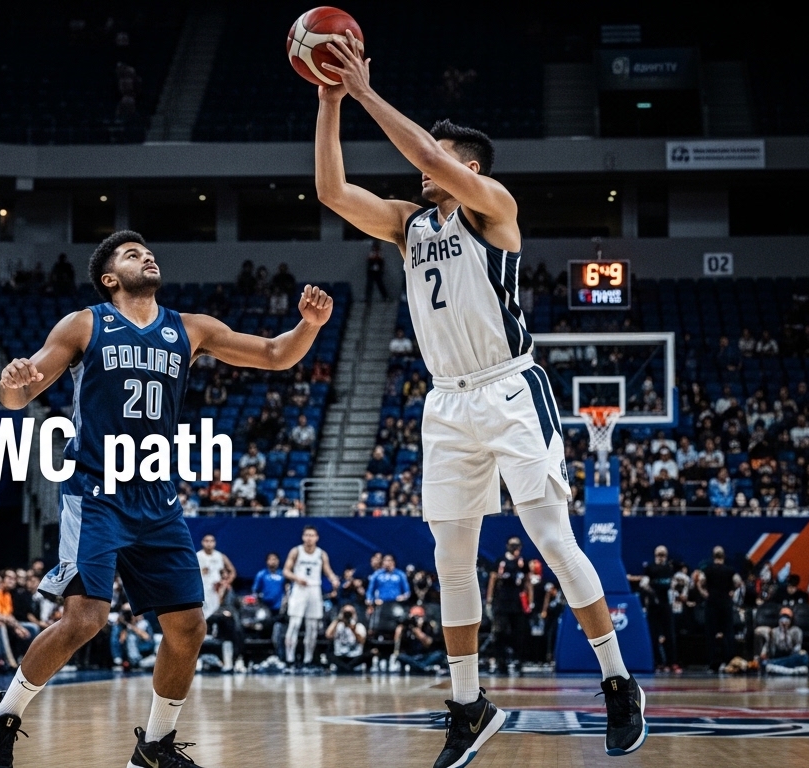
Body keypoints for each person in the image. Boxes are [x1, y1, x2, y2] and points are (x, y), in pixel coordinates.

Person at [314, 35, 645, 763]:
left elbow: (430, 160)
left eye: (439, 154)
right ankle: (468, 705)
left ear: (469, 169)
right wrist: (330, 102)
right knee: (451, 560)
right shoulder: (409, 225)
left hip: (509, 389)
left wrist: (366, 90)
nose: (423, 160)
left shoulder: (494, 208)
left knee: (553, 540)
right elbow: (333, 194)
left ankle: (617, 681)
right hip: (446, 402)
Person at [0, 230, 333, 768]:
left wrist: (310, 325)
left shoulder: (190, 329)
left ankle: (155, 745)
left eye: (148, 250)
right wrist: (11, 381)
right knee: (86, 619)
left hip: (157, 496)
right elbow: (20, 393)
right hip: (96, 490)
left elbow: (276, 354)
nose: (147, 255)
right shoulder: (85, 323)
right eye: (132, 253)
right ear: (111, 278)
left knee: (189, 627)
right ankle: (1, 717)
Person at [282, 526, 336, 668]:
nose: (309, 538)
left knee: (312, 627)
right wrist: (296, 578)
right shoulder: (296, 551)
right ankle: (290, 660)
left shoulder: (321, 554)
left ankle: (308, 660)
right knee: (294, 624)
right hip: (300, 589)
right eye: (307, 535)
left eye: (312, 535)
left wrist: (334, 579)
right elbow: (286, 571)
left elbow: (328, 570)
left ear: (317, 537)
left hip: (314, 589)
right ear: (303, 537)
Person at [485, 537, 528, 673]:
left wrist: (529, 602)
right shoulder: (500, 561)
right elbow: (492, 580)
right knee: (499, 633)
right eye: (513, 545)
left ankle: (518, 661)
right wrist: (489, 600)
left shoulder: (522, 563)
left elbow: (527, 583)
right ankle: (500, 662)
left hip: (517, 603)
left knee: (519, 633)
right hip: (501, 602)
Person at [701, 546, 737, 672]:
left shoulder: (708, 570)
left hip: (712, 603)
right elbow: (738, 582)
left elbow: (700, 582)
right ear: (723, 556)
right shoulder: (730, 570)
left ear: (713, 556)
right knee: (728, 633)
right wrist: (732, 591)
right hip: (726, 603)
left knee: (711, 633)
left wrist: (704, 593)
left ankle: (712, 663)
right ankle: (729, 661)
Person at [762, 608, 809, 676]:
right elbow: (767, 648)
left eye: (787, 617)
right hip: (778, 656)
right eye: (782, 616)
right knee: (763, 662)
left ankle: (774, 664)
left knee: (804, 657)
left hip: (791, 656)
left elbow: (797, 648)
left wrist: (786, 633)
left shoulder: (796, 631)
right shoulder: (774, 631)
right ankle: (777, 665)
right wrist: (764, 653)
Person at [326, 604, 371, 673]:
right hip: (340, 655)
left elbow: (362, 641)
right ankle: (347, 667)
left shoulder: (359, 626)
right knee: (329, 653)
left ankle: (346, 667)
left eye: (350, 613)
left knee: (368, 654)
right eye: (345, 613)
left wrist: (353, 629)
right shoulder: (337, 625)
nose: (347, 615)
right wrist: (338, 620)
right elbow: (328, 635)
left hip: (354, 656)